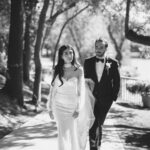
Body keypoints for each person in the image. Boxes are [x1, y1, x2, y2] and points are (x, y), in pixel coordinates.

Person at [47, 44, 95, 150]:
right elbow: (52, 90)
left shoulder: (79, 70)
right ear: (61, 56)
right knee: (62, 134)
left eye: (71, 52)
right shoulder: (57, 69)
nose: (69, 55)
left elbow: (80, 91)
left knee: (74, 134)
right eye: (66, 53)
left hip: (73, 107)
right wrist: (50, 108)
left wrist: (78, 108)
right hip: (59, 106)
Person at [84, 37, 120, 150]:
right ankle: (93, 147)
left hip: (106, 100)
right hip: (91, 98)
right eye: (96, 47)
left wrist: (113, 97)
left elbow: (117, 81)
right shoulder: (88, 62)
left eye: (101, 47)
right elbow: (85, 80)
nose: (98, 49)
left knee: (99, 123)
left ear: (105, 48)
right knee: (93, 123)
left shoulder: (113, 63)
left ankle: (98, 144)